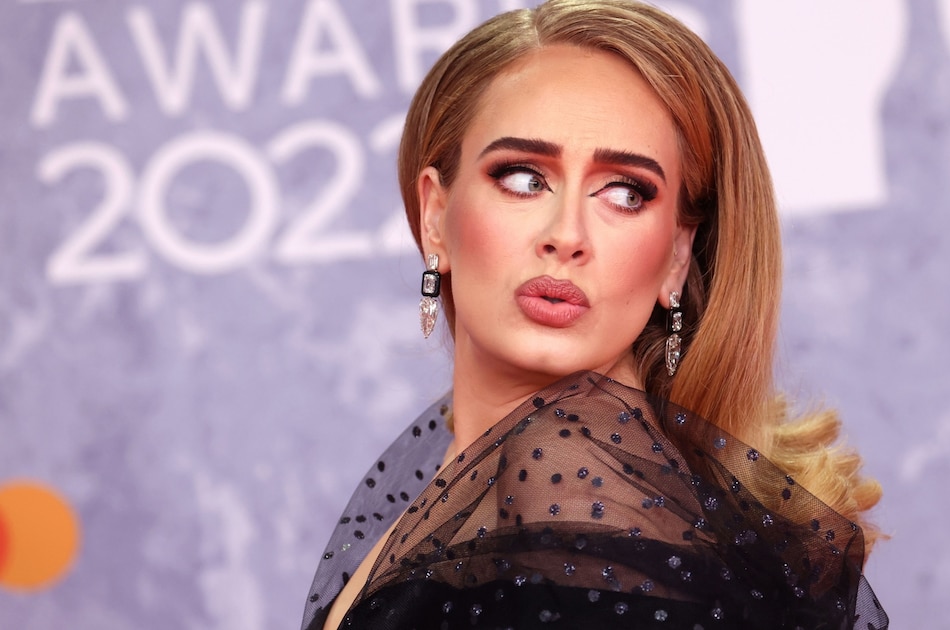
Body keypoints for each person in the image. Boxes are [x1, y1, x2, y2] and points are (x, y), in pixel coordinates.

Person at [302, 1, 887, 628]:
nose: (567, 234)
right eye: (524, 179)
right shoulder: (471, 470)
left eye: (624, 193)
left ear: (677, 256)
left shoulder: (569, 496)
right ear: (435, 217)